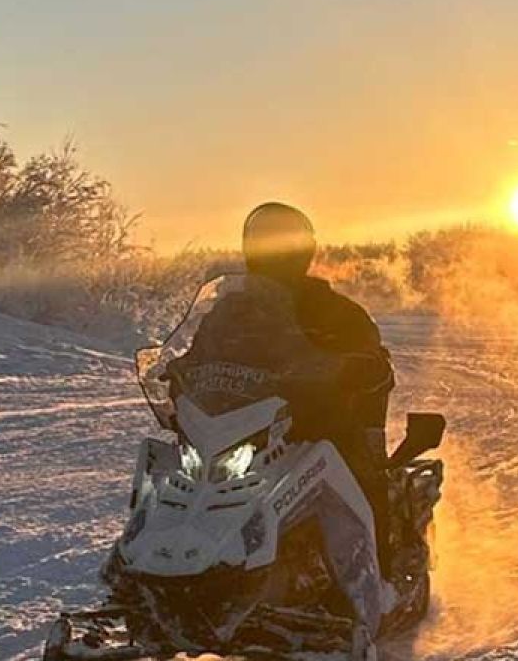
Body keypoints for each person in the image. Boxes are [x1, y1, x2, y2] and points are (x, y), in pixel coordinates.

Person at [168, 203, 395, 571]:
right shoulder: (230, 311)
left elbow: (374, 364)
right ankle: (153, 566)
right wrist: (179, 372)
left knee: (363, 475)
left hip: (317, 430)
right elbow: (200, 352)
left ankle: (381, 572)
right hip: (248, 430)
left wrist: (362, 369)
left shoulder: (337, 312)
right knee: (180, 478)